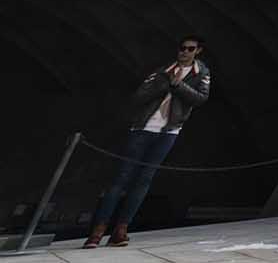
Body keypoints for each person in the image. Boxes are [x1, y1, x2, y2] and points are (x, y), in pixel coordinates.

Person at [83, 35, 211, 248]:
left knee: (144, 180)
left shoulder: (202, 73)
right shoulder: (163, 70)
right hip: (143, 128)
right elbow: (139, 95)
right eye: (182, 48)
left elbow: (200, 98)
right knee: (121, 177)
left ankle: (121, 230)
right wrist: (166, 84)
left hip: (168, 131)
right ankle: (97, 231)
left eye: (190, 49)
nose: (184, 52)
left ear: (197, 51)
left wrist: (179, 86)